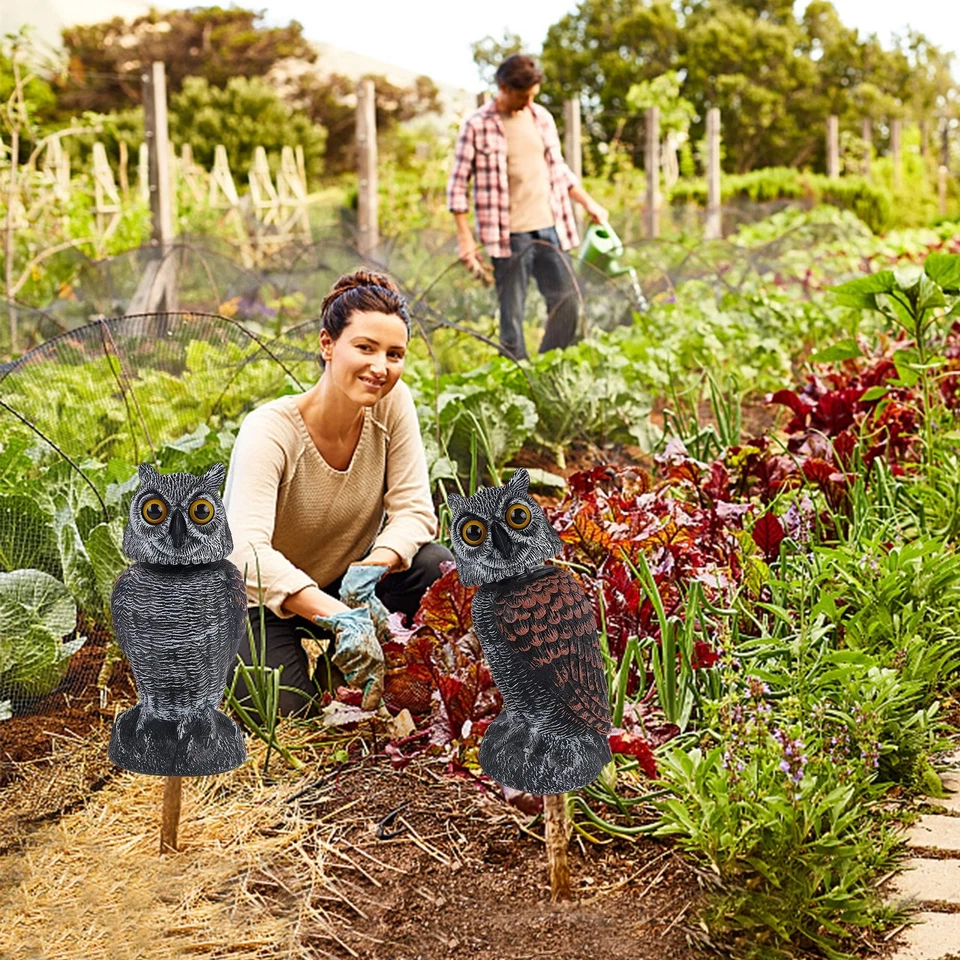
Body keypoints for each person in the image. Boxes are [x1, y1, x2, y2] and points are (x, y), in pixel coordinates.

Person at [222, 269, 453, 716]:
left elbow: (413, 511)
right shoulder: (270, 430)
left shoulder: (392, 402)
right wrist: (337, 615)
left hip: (343, 583)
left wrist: (372, 567)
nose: (380, 367)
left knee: (435, 566)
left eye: (394, 354)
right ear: (327, 345)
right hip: (258, 598)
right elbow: (246, 552)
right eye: (364, 348)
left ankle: (342, 667)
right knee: (291, 714)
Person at [447, 53, 609, 361]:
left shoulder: (541, 118)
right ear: (503, 88)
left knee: (567, 303)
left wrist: (589, 203)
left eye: (532, 96)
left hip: (550, 226)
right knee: (512, 317)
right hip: (508, 236)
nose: (527, 103)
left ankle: (547, 367)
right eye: (522, 96)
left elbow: (558, 169)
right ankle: (518, 379)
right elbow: (457, 186)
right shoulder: (477, 125)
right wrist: (466, 239)